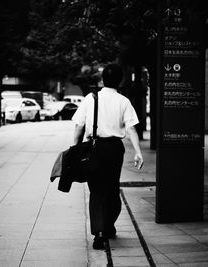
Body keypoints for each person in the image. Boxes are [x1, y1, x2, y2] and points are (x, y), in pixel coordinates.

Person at [72, 63, 144, 250]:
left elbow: (79, 126)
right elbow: (131, 129)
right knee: (112, 189)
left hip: (94, 148)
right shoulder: (123, 101)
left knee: (97, 190)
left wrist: (75, 148)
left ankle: (100, 233)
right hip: (114, 149)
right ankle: (108, 225)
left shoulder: (91, 98)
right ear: (120, 80)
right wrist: (138, 151)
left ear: (103, 79)